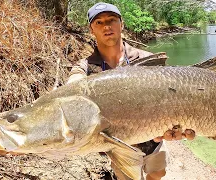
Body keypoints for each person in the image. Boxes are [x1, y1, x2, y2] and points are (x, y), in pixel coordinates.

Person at [67, 2, 195, 180]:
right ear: (91, 30)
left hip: (152, 136)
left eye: (112, 20)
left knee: (158, 172)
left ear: (122, 24)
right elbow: (72, 87)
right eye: (99, 22)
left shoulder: (145, 59)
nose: (106, 26)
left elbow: (171, 93)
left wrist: (181, 120)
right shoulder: (85, 67)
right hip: (118, 145)